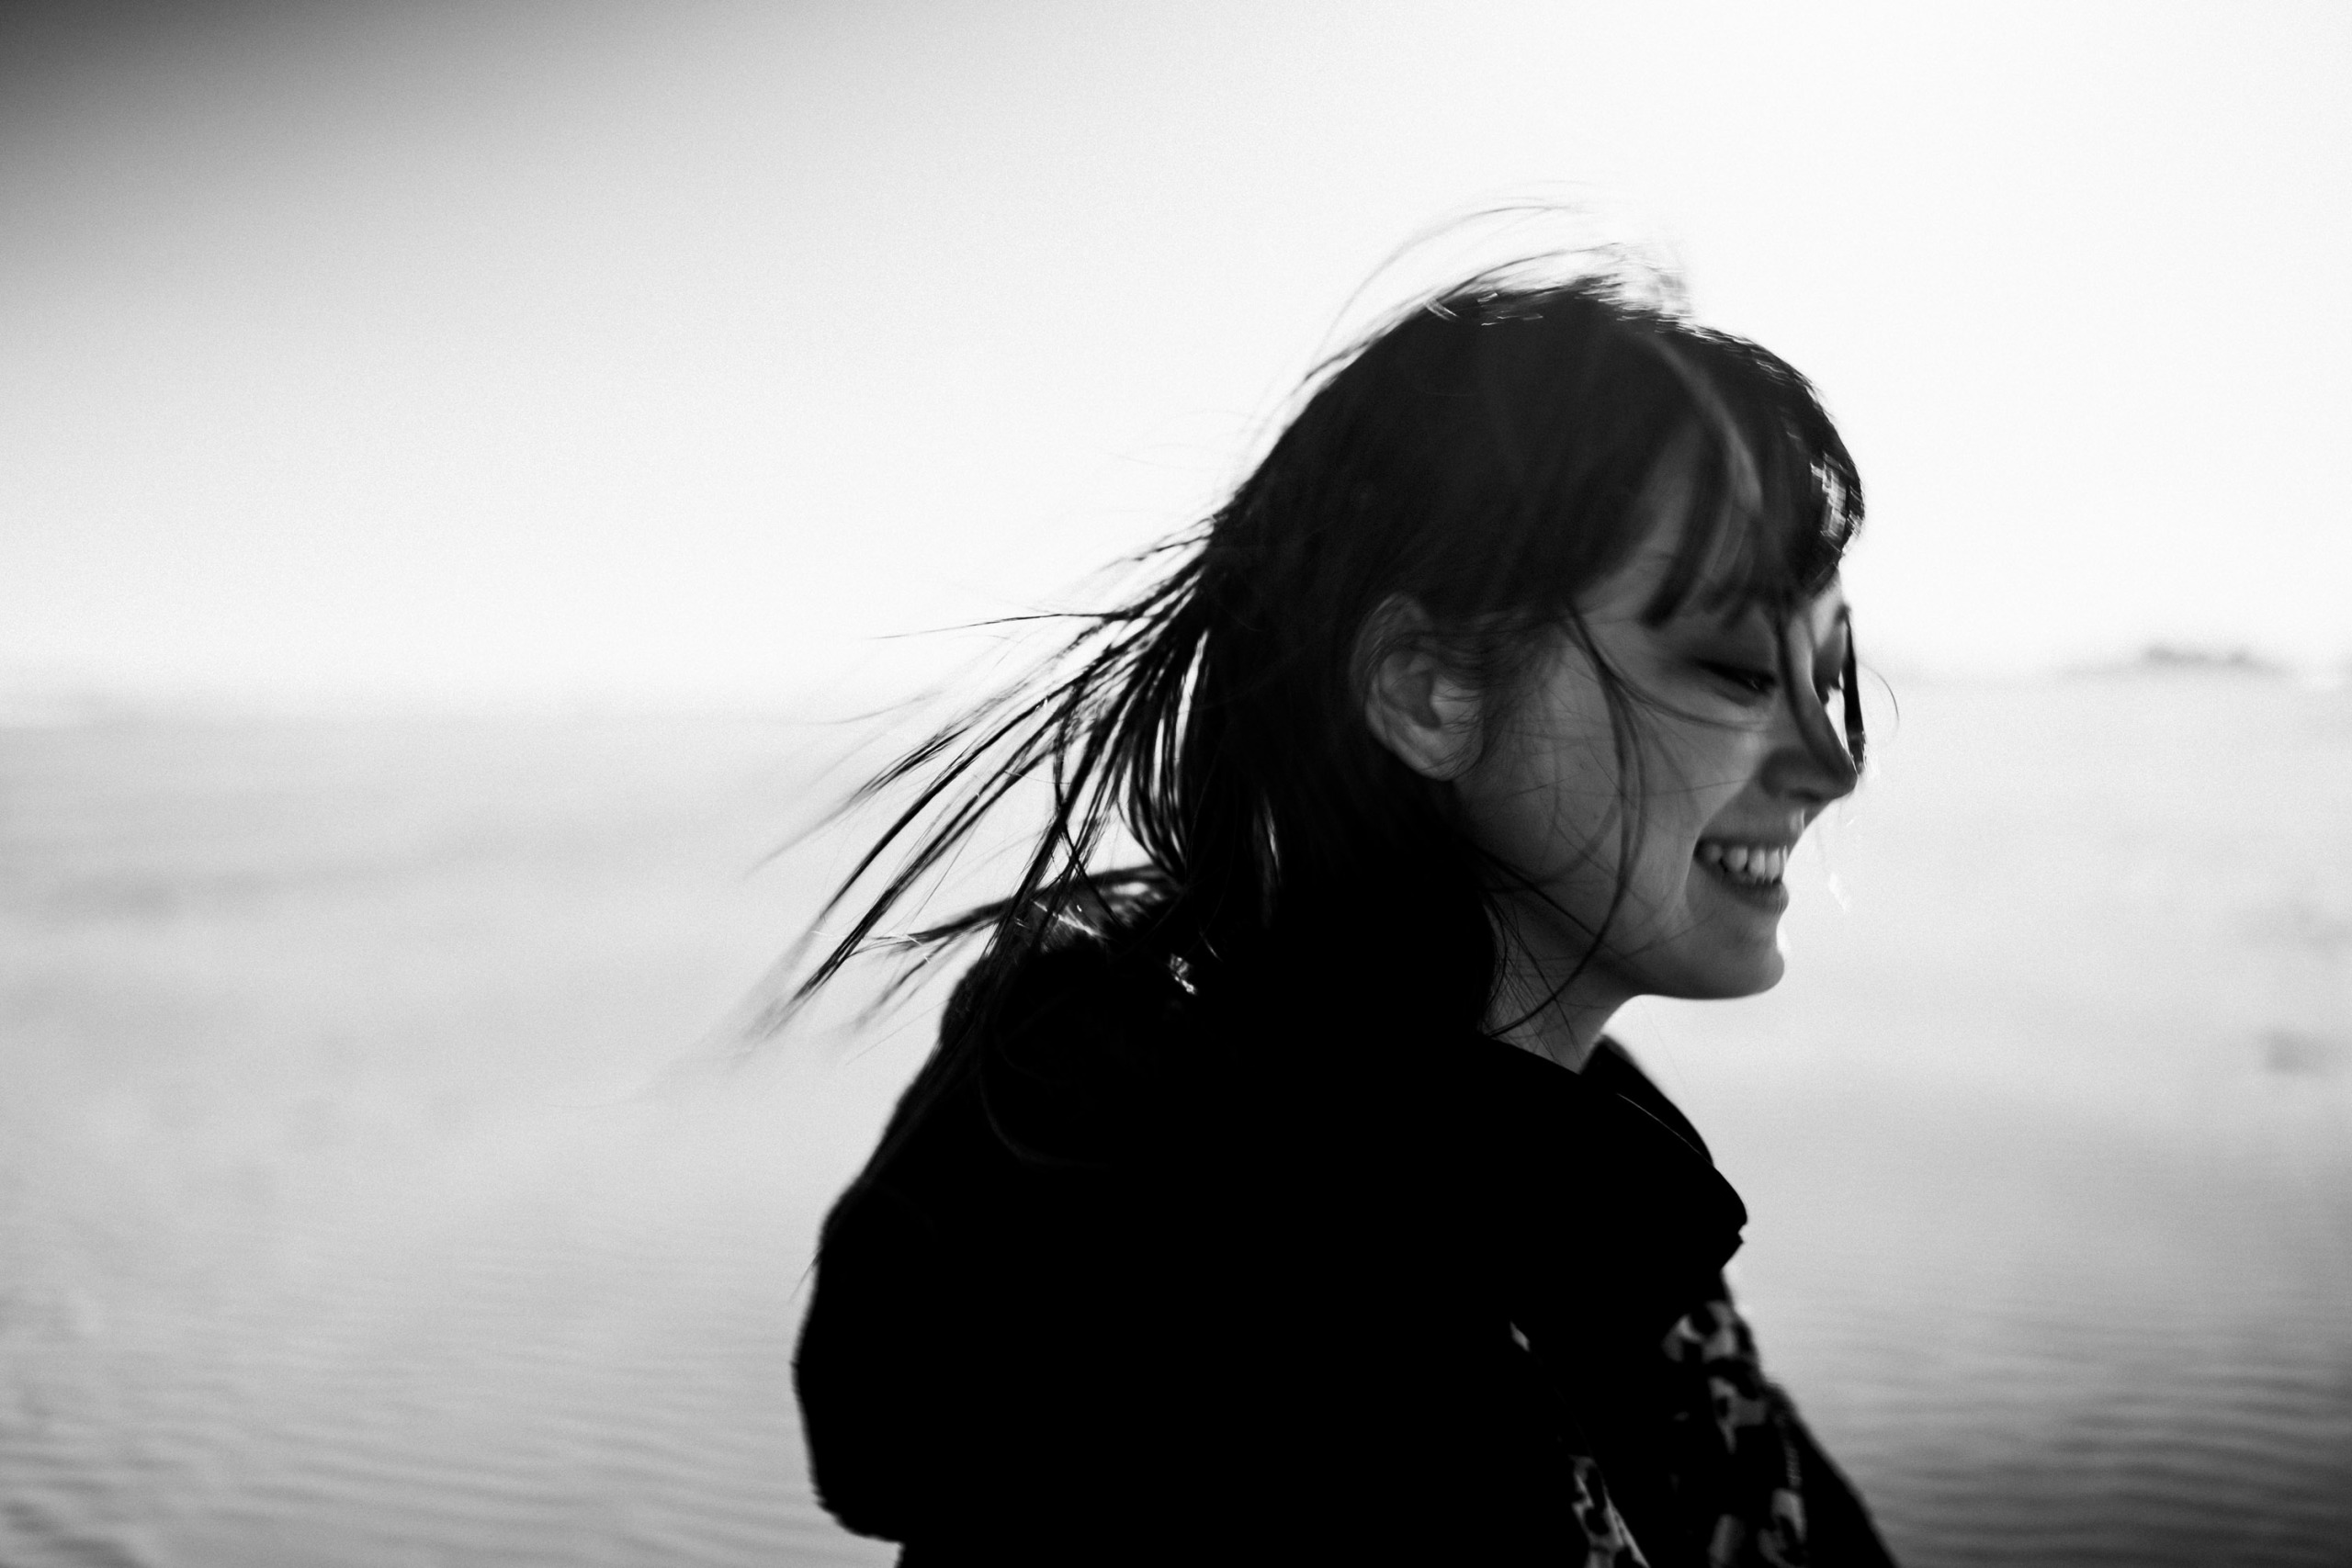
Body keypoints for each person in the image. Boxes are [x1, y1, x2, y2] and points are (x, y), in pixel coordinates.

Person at [790, 256, 1902, 1566]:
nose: (1832, 763)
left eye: (1827, 675)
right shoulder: (1250, 1356)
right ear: (1429, 691)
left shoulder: (1585, 1181)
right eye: (1734, 668)